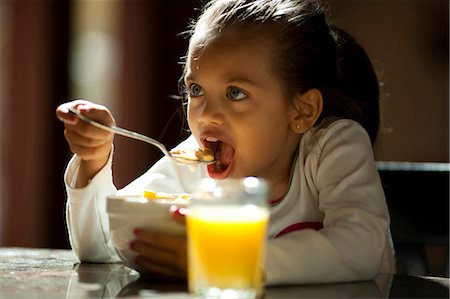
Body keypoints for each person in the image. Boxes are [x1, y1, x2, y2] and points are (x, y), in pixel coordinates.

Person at [56, 0, 395, 285]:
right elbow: (103, 248)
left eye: (235, 93)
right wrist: (94, 161)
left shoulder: (331, 146)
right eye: (196, 90)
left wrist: (223, 259)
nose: (206, 115)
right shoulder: (195, 163)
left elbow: (361, 247)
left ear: (302, 111)